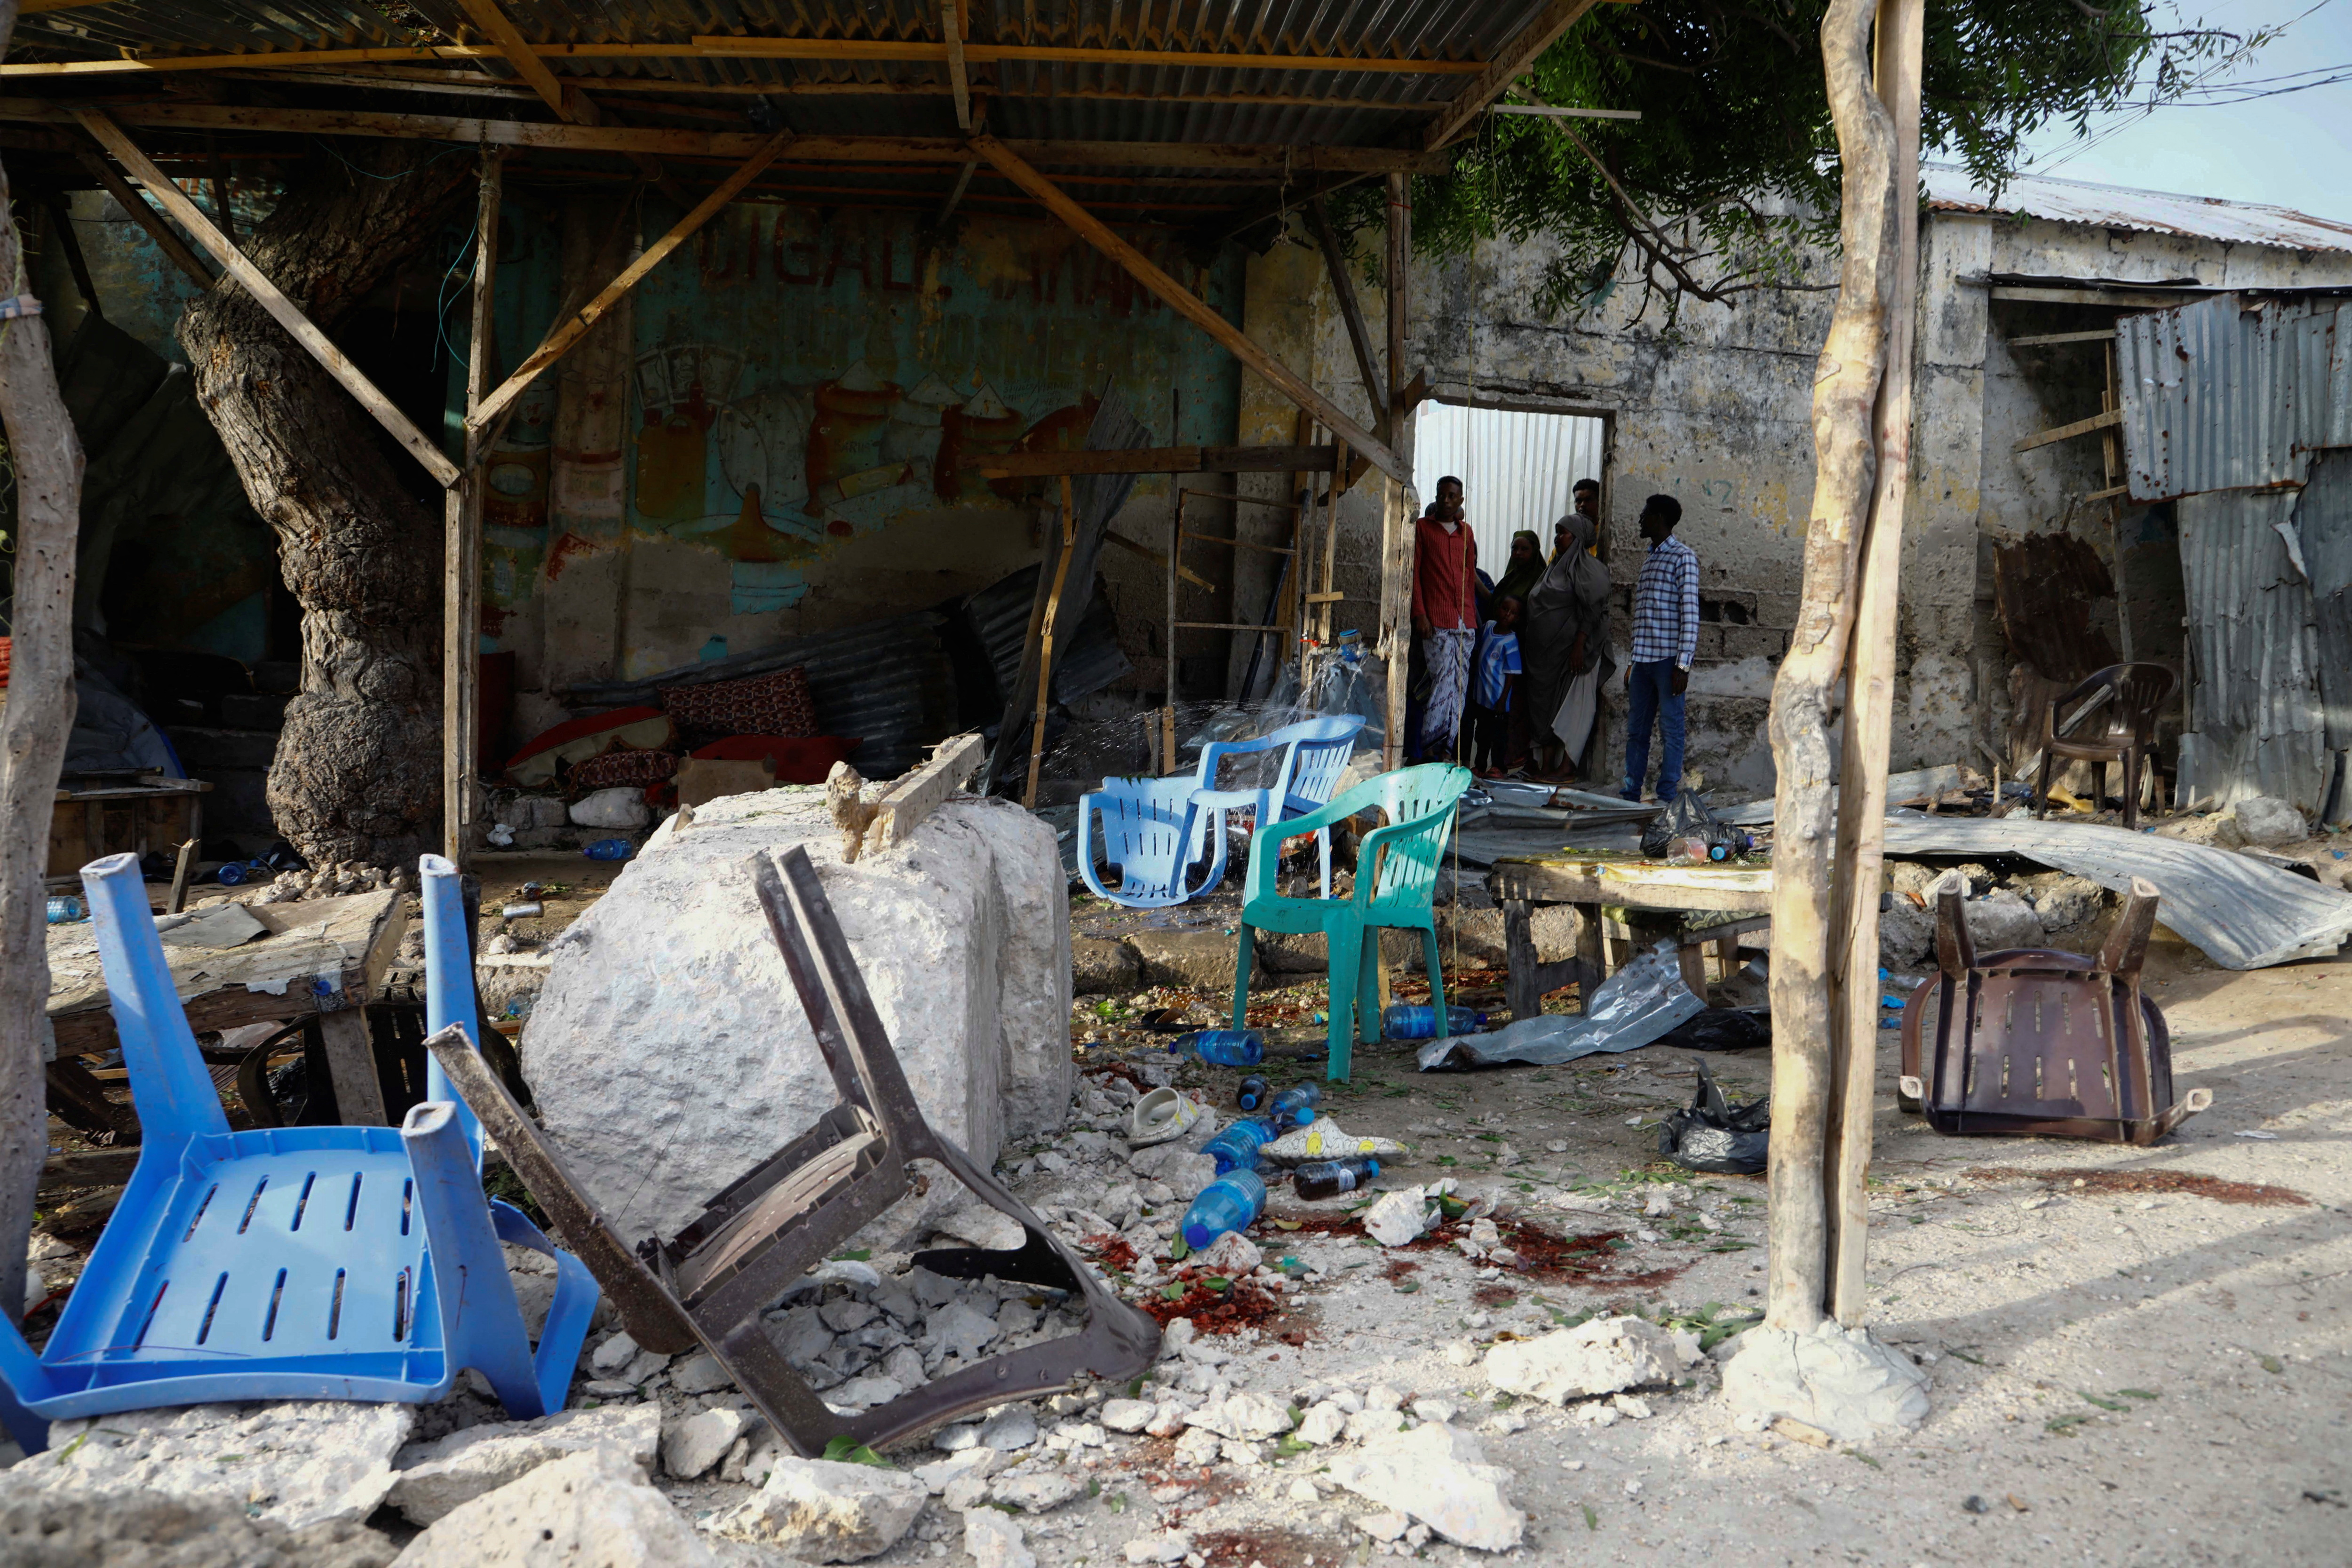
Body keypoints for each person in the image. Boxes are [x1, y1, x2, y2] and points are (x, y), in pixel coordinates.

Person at [1519, 509, 1613, 779]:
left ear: (1579, 537)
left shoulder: (1590, 570)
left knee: (1571, 708)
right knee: (1546, 708)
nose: (1558, 538)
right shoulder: (1554, 568)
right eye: (1557, 533)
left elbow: (1593, 609)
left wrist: (1579, 645)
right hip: (1545, 658)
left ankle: (1567, 767)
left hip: (1573, 654)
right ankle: (1547, 765)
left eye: (1564, 533)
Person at [1623, 493, 1697, 803]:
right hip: (1643, 662)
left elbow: (1690, 614)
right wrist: (1633, 661)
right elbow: (1643, 616)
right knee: (1636, 731)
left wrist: (1683, 665)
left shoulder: (1683, 557)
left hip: (1668, 663)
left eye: (1645, 515)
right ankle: (1630, 793)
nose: (1640, 520)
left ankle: (1666, 795)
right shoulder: (1650, 558)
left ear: (1659, 518)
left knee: (1671, 731)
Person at [1411, 475, 1478, 759]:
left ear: (1461, 500)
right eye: (1442, 495)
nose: (1447, 501)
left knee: (1459, 687)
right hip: (1436, 621)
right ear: (1437, 497)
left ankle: (1449, 750)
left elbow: (1469, 576)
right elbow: (1413, 574)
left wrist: (1473, 617)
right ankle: (1430, 749)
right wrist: (1420, 614)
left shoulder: (1466, 533)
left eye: (1452, 496)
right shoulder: (1423, 528)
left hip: (1465, 622)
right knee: (1442, 684)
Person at [1466, 593, 1523, 777]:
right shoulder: (1488, 627)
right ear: (1498, 609)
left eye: (1513, 613)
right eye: (1505, 609)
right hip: (1481, 697)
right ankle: (1480, 766)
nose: (1507, 615)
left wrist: (1503, 700)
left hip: (1498, 700)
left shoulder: (1511, 641)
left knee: (1498, 736)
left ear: (1517, 619)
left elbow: (1512, 674)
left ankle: (1499, 767)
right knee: (1481, 734)